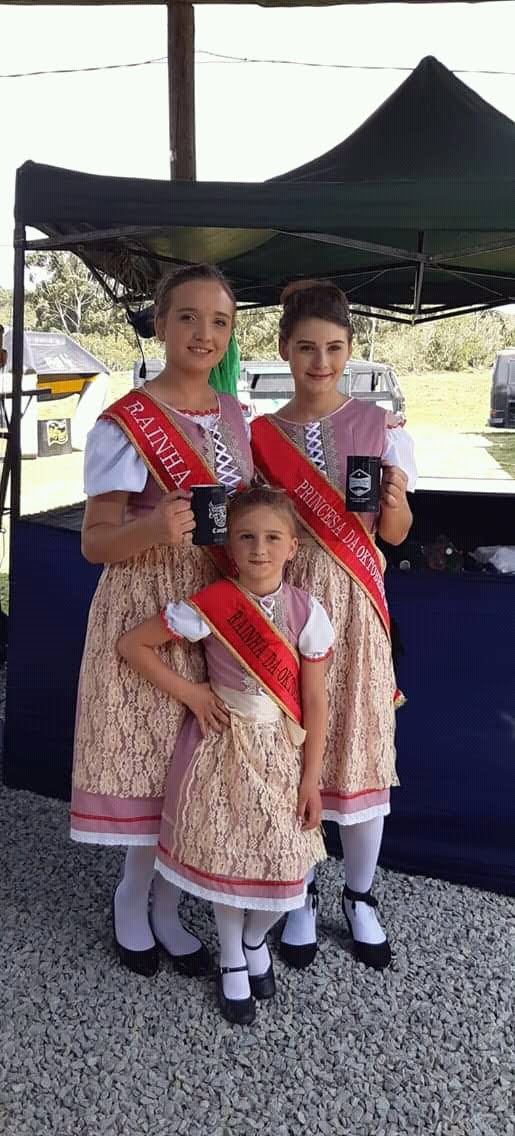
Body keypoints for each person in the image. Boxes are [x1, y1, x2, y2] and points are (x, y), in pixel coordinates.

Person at [70, 264, 253, 978]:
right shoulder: (126, 422)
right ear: (159, 323)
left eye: (219, 321)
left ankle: (169, 908)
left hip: (214, 603)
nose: (204, 334)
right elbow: (95, 543)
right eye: (188, 317)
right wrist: (153, 530)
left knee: (196, 766)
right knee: (150, 762)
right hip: (146, 602)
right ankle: (131, 899)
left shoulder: (235, 414)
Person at [117, 487, 334, 1024]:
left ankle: (256, 939)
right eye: (246, 537)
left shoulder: (308, 612)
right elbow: (132, 645)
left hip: (280, 753)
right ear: (229, 547)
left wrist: (311, 779)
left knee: (286, 864)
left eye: (273, 538)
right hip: (223, 749)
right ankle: (233, 955)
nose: (260, 549)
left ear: (293, 547)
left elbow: (315, 701)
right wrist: (191, 694)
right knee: (229, 855)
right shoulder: (210, 605)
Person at [251, 280, 417, 972]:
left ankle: (359, 895)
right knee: (291, 744)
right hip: (287, 604)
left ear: (349, 350)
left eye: (334, 348)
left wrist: (394, 499)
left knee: (359, 741)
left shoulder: (381, 427)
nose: (320, 362)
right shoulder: (258, 434)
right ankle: (297, 891)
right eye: (306, 348)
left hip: (355, 600)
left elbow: (396, 535)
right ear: (283, 349)